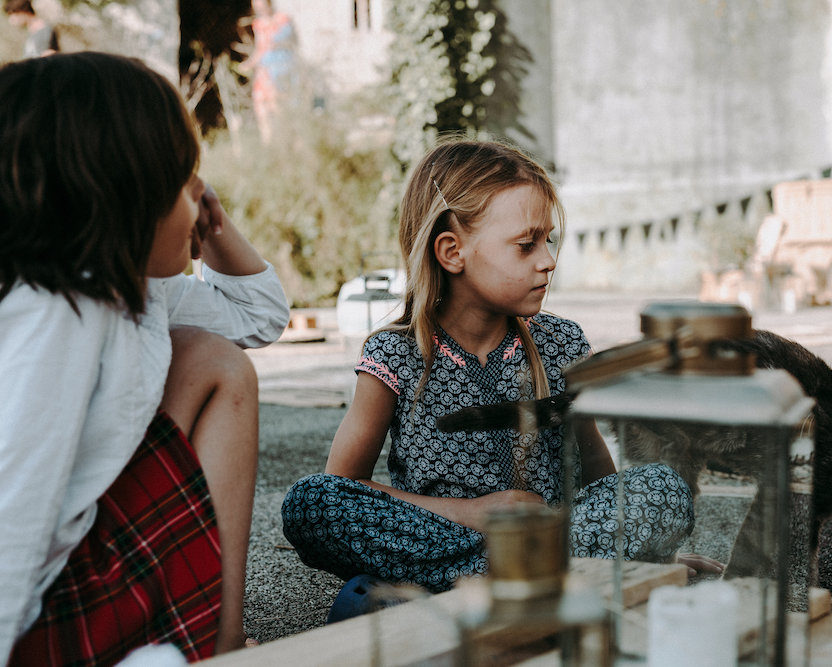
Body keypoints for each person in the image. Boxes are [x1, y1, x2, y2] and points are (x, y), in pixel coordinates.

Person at [282, 139, 722, 617]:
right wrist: (470, 513)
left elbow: (597, 469)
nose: (547, 260)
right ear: (452, 252)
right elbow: (344, 484)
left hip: (546, 535)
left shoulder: (563, 344)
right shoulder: (394, 353)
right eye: (526, 244)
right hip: (444, 538)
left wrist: (651, 546)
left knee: (662, 490)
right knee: (310, 502)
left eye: (549, 241)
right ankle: (532, 585)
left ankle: (456, 594)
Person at [0, 52, 290, 663]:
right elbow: (12, 506)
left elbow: (258, 315)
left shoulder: (139, 288)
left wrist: (206, 223)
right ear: (125, 200)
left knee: (217, 361)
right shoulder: (59, 315)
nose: (202, 198)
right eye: (185, 183)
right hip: (34, 612)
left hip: (74, 562)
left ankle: (223, 642)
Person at [245, 0, 298, 142]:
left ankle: (284, 144)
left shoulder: (283, 20)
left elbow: (290, 44)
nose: (259, 9)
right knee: (261, 108)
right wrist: (248, 64)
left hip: (280, 70)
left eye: (261, 5)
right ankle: (267, 145)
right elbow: (259, 49)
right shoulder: (258, 24)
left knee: (279, 109)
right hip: (264, 71)